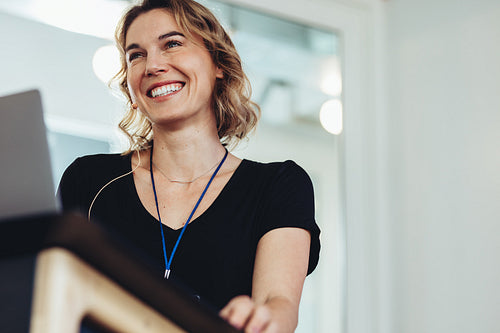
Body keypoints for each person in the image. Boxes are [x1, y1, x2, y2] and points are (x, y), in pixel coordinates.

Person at [58, 0, 320, 331]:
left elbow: (276, 302)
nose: (153, 65)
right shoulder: (88, 180)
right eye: (136, 55)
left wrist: (264, 320)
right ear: (132, 89)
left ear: (217, 64)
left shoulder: (279, 186)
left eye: (172, 44)